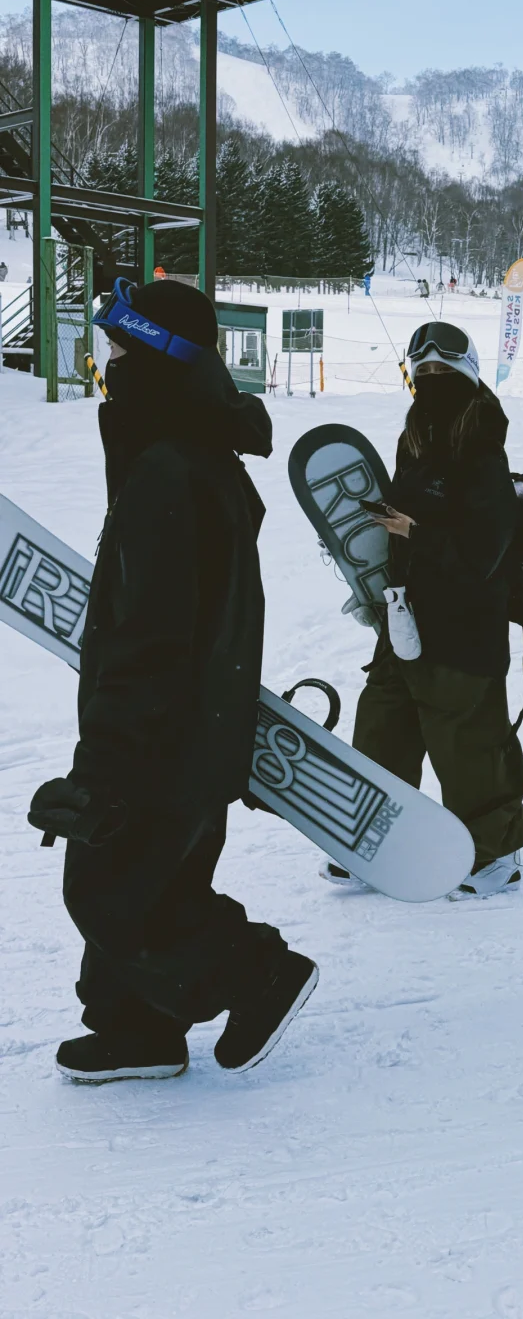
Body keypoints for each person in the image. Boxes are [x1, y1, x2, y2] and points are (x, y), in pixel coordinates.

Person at [28, 278, 318, 1083]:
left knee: (109, 886)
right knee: (153, 873)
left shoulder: (168, 467)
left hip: (165, 729)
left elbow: (150, 637)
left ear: (156, 360)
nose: (106, 362)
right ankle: (138, 1030)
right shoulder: (191, 453)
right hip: (196, 719)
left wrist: (112, 756)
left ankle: (254, 970)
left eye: (119, 349)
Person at [323, 321, 523, 899]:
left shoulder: (483, 451)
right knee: (383, 726)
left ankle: (495, 853)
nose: (433, 383)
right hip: (406, 613)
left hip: (466, 622)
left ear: (467, 378)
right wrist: (361, 546)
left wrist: (416, 531)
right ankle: (376, 838)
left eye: (445, 373)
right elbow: (399, 517)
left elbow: (484, 550)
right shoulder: (414, 441)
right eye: (424, 374)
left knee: (467, 739)